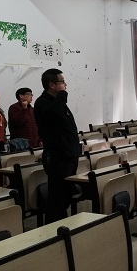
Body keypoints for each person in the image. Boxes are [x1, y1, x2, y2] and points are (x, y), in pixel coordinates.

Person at [34, 69, 80, 224]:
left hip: (69, 155)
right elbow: (55, 114)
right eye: (62, 81)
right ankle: (53, 229)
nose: (65, 84)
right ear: (52, 85)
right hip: (57, 157)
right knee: (57, 198)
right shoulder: (42, 102)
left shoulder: (58, 102)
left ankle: (63, 225)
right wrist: (62, 95)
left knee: (65, 196)